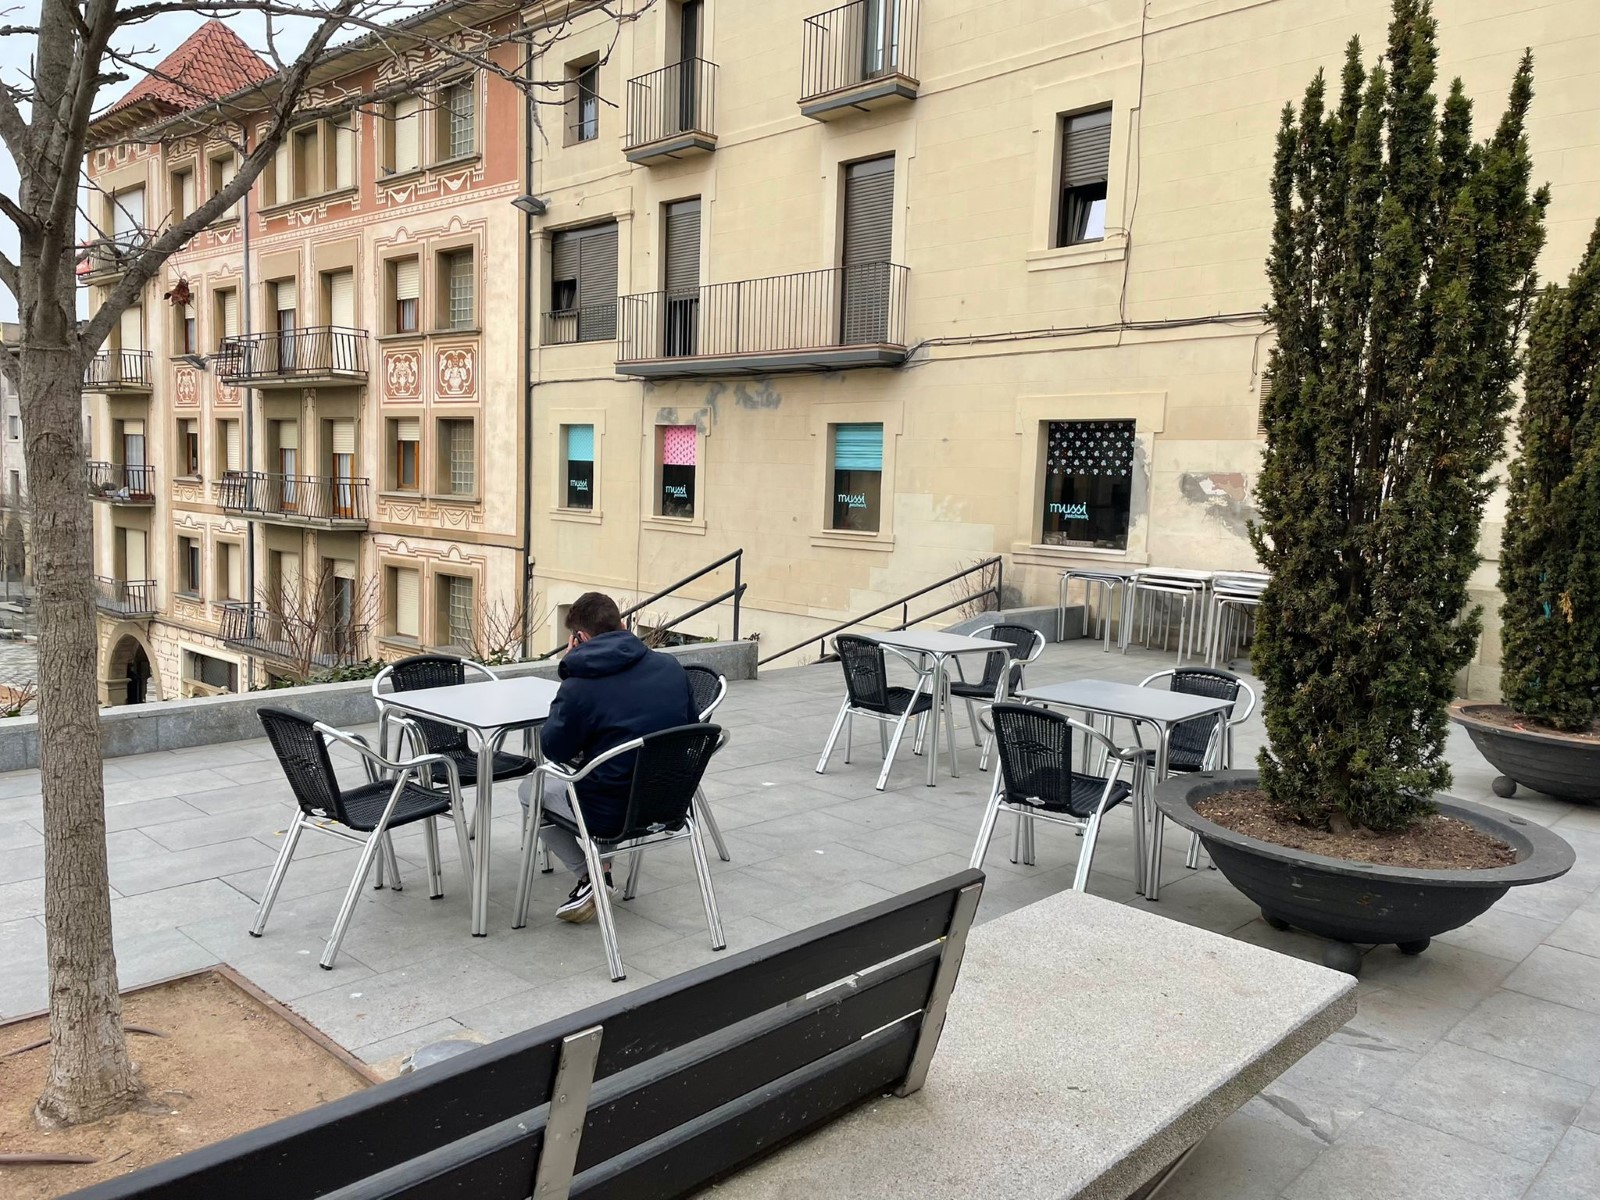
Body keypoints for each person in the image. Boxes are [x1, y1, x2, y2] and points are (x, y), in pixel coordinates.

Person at [524, 591, 698, 922]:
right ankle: (600, 871)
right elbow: (691, 727)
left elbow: (554, 750)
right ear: (623, 626)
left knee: (533, 790)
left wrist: (571, 678)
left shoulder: (580, 685)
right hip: (669, 801)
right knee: (608, 773)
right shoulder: (671, 667)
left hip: (611, 814)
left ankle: (591, 876)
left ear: (579, 638)